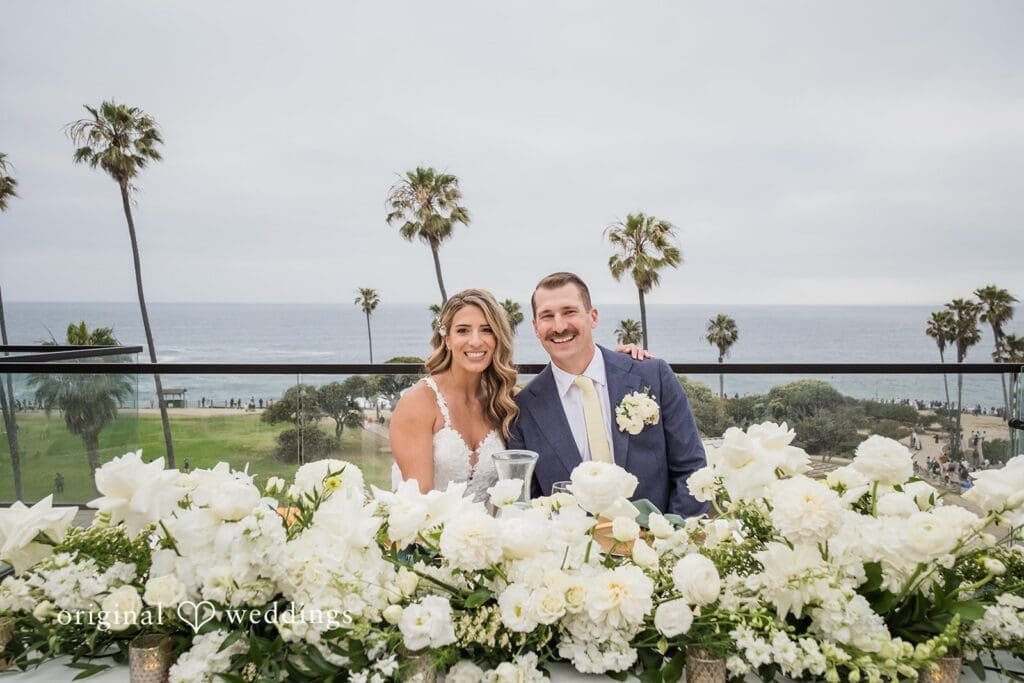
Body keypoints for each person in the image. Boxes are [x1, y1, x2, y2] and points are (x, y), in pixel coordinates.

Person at [389, 287, 648, 501]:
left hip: (497, 544)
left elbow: (567, 401)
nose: (476, 341)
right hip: (431, 545)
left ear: (498, 337)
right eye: (463, 330)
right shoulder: (418, 403)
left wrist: (615, 364)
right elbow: (417, 505)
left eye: (487, 329)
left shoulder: (508, 400)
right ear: (446, 338)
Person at [507, 272, 708, 517]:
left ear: (593, 317)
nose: (559, 326)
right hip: (572, 551)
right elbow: (530, 502)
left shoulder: (652, 376)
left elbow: (691, 470)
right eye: (547, 316)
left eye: (569, 312)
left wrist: (671, 539)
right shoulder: (524, 409)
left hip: (658, 546)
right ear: (536, 327)